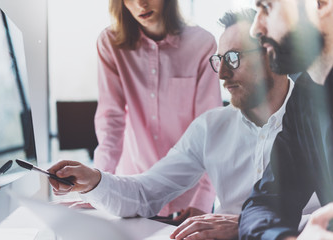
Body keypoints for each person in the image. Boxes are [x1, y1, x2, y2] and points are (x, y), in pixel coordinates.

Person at [48, 9, 320, 239]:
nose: (222, 74)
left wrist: (246, 227)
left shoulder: (320, 123)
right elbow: (145, 193)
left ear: (271, 55)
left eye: (234, 59)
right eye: (219, 60)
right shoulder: (209, 128)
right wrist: (94, 181)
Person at [93, 0, 222, 219]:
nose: (140, 3)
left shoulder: (203, 44)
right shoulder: (110, 43)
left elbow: (211, 128)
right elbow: (110, 121)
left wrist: (204, 198)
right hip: (133, 190)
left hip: (189, 195)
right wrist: (96, 185)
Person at [239, 0, 333, 239]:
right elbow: (266, 202)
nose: (255, 29)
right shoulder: (305, 97)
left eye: (267, 7)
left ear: (321, 4)